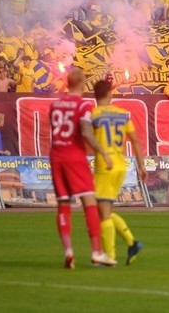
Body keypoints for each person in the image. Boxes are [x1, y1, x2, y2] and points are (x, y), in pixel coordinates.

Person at [49, 68, 116, 268]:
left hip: (56, 155)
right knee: (89, 202)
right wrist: (103, 153)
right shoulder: (83, 105)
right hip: (74, 155)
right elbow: (86, 132)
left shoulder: (55, 104)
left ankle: (68, 251)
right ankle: (96, 252)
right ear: (82, 83)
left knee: (63, 204)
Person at [91, 79, 147, 265]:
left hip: (104, 166)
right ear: (109, 94)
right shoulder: (123, 115)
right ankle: (132, 243)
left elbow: (87, 140)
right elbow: (135, 140)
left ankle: (110, 256)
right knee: (106, 210)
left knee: (103, 214)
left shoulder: (94, 115)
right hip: (120, 166)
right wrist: (141, 165)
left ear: (95, 95)